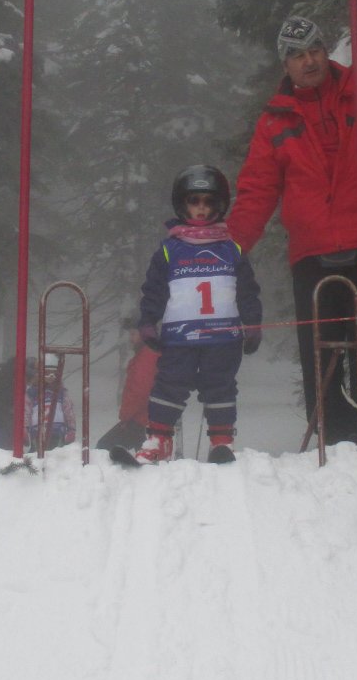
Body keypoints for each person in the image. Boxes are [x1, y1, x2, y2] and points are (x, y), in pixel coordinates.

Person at [227, 15, 357, 449]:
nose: (309, 61)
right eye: (298, 56)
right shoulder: (274, 122)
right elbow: (258, 188)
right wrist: (231, 248)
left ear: (325, 51)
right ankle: (335, 443)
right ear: (285, 65)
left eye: (315, 50)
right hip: (312, 252)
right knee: (321, 349)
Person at [133, 165, 262, 464]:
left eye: (208, 202)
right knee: (169, 384)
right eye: (194, 201)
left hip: (223, 338)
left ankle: (221, 442)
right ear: (182, 204)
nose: (201, 209)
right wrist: (148, 322)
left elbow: (247, 291)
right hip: (180, 338)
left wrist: (253, 323)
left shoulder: (232, 249)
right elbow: (154, 290)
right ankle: (158, 440)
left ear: (220, 205)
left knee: (220, 386)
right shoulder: (169, 250)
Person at [95, 317, 159, 453]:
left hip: (139, 419)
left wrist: (126, 415)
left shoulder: (147, 357)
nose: (130, 338)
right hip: (143, 417)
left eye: (133, 334)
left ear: (145, 335)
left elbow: (139, 391)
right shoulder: (146, 355)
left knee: (104, 448)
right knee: (143, 454)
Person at [25, 355, 76, 452]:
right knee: (38, 454)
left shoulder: (61, 392)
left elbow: (69, 411)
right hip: (37, 432)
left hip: (58, 431)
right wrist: (25, 428)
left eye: (54, 373)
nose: (51, 377)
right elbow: (26, 411)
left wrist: (71, 429)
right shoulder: (32, 393)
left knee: (55, 455)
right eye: (47, 373)